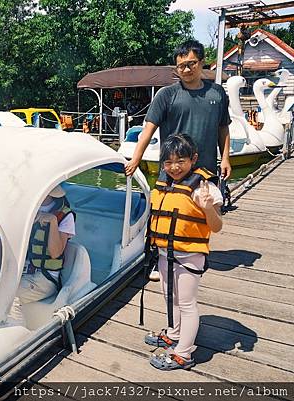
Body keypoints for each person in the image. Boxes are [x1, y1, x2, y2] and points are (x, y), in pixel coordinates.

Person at [145, 134, 223, 370]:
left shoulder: (204, 188)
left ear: (194, 159)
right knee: (170, 297)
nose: (174, 167)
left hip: (189, 256)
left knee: (187, 303)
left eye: (180, 160)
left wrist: (209, 208)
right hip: (164, 254)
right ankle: (174, 333)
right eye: (168, 162)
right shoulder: (163, 184)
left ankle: (184, 354)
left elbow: (217, 226)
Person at [124, 40, 232, 180]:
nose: (186, 70)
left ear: (202, 62)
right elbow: (148, 131)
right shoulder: (166, 95)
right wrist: (135, 160)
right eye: (181, 66)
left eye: (191, 64)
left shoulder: (217, 93)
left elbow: (223, 128)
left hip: (206, 172)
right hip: (172, 173)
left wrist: (225, 159)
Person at [0, 185, 75, 323]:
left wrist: (52, 221)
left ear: (49, 193)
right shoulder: (24, 210)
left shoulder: (65, 216)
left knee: (11, 297)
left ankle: (17, 338)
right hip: (18, 270)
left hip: (44, 277)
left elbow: (55, 252)